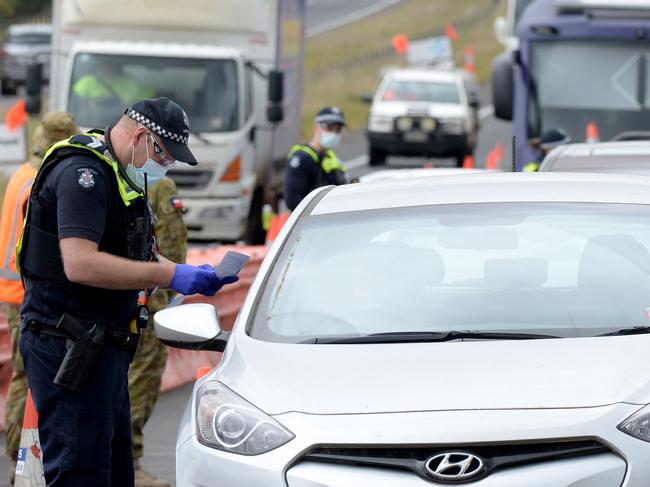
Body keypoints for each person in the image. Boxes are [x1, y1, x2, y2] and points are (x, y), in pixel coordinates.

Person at [16, 97, 238, 487]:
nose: (163, 167)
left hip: (101, 347)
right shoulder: (83, 175)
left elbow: (129, 248)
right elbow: (79, 262)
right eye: (164, 157)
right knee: (80, 473)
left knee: (115, 471)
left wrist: (183, 272)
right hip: (68, 346)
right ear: (141, 136)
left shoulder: (118, 174)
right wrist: (167, 277)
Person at [0, 111, 79, 485]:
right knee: (27, 379)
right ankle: (21, 462)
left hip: (11, 290)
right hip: (24, 294)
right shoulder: (40, 180)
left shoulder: (20, 173)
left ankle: (19, 459)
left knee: (22, 377)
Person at [128, 175, 186, 487]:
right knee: (142, 378)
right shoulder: (158, 184)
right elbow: (172, 240)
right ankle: (129, 463)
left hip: (128, 292)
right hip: (147, 296)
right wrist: (176, 279)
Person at [284, 107, 349, 211]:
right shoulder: (302, 159)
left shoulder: (331, 157)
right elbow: (293, 201)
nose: (334, 133)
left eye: (338, 129)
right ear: (316, 127)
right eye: (329, 127)